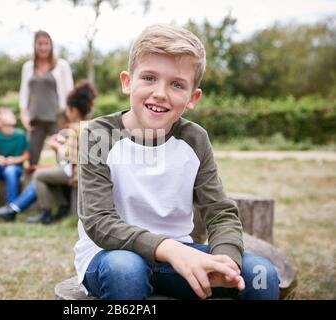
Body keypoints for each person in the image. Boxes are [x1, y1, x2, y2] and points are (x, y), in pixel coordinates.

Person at [74, 24, 280, 300]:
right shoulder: (98, 135)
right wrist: (172, 249)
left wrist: (226, 259)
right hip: (111, 256)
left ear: (193, 97)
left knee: (261, 273)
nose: (160, 93)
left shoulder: (195, 139)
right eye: (149, 77)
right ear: (127, 82)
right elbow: (99, 222)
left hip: (180, 259)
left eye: (176, 84)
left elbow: (220, 212)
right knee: (126, 270)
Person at [0, 80, 97, 223]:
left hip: (77, 174)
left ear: (73, 111)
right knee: (48, 175)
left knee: (39, 175)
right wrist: (63, 143)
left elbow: (72, 158)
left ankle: (45, 212)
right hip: (83, 171)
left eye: (68, 109)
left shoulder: (74, 128)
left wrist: (57, 147)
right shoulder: (90, 124)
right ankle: (17, 209)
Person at [19, 30, 74, 166]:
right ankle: (31, 185)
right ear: (34, 46)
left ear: (51, 45)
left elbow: (70, 91)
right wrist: (24, 115)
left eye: (46, 44)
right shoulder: (27, 67)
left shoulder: (62, 65)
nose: (43, 47)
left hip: (57, 118)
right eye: (40, 44)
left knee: (64, 156)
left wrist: (69, 116)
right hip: (35, 119)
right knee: (32, 157)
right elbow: (24, 93)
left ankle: (65, 186)